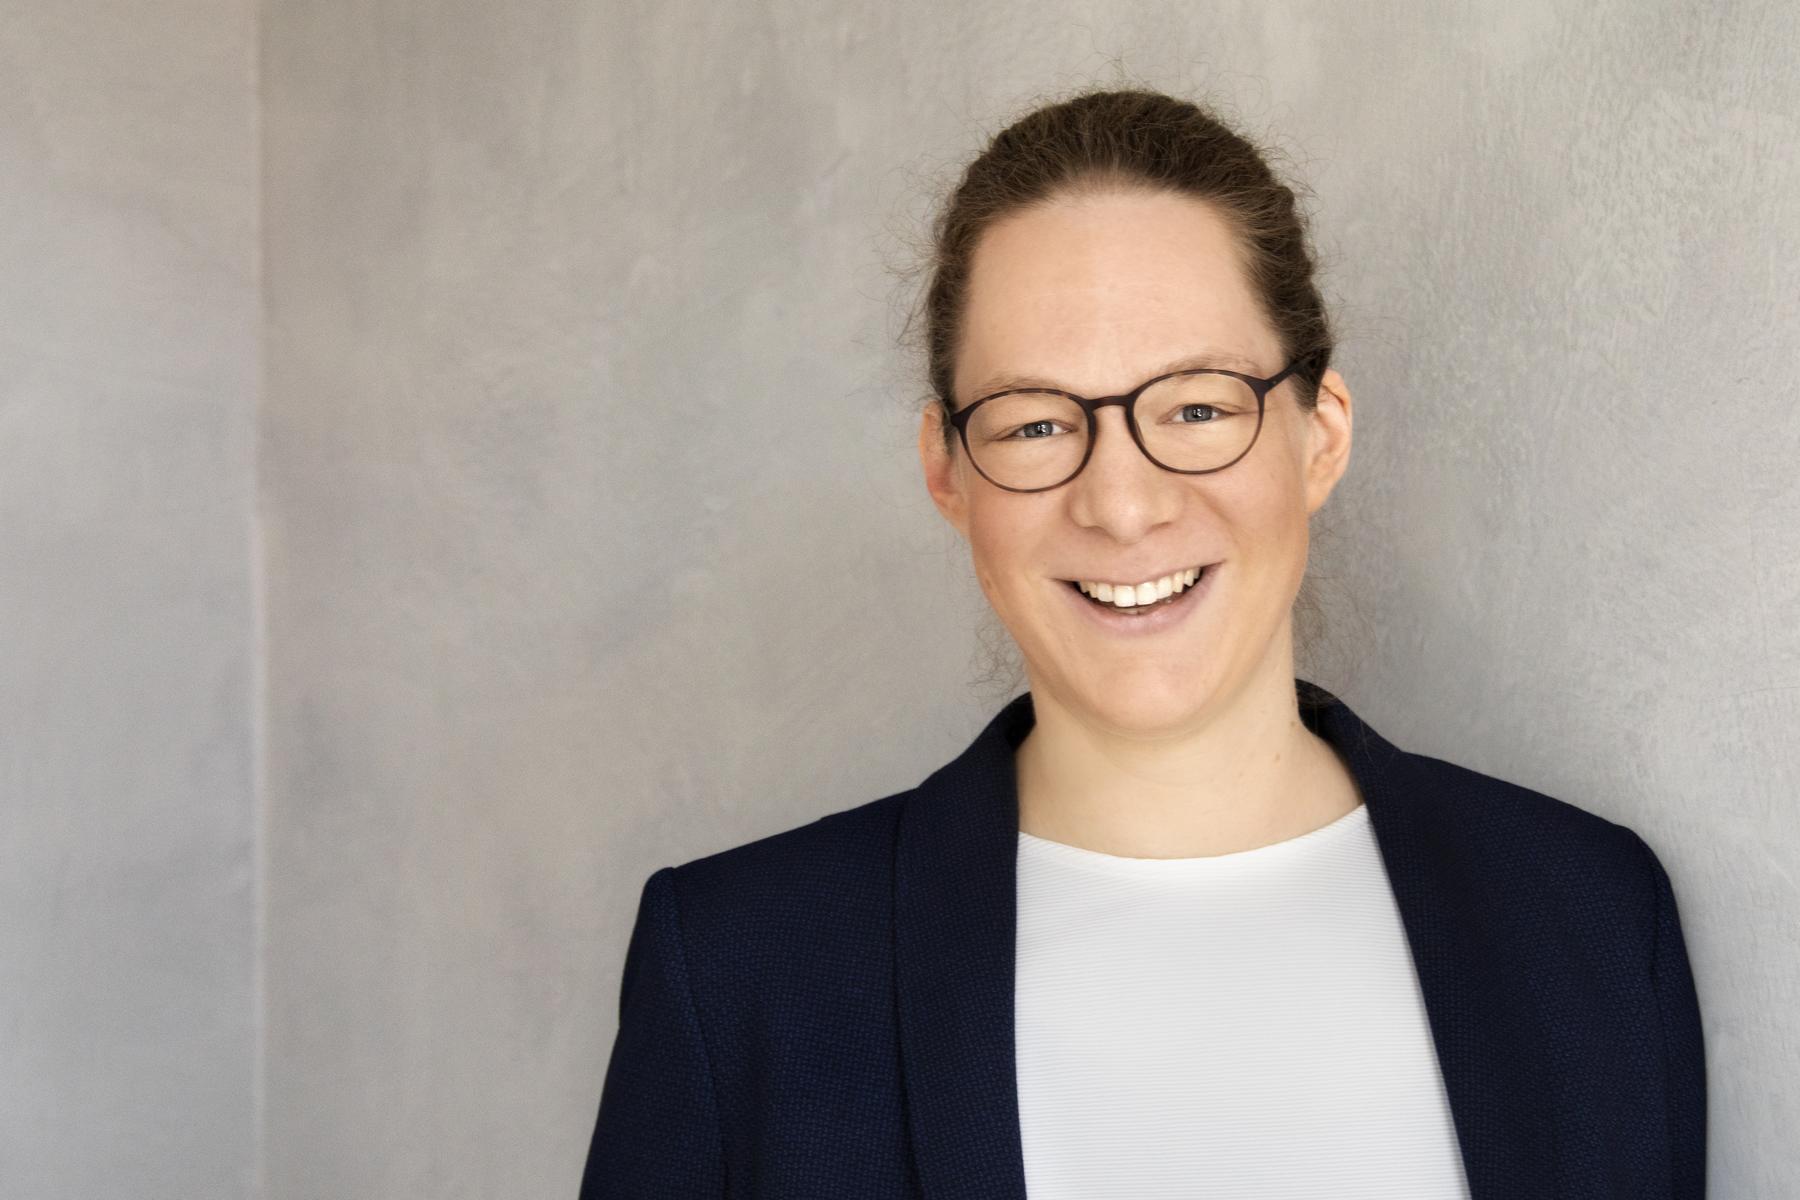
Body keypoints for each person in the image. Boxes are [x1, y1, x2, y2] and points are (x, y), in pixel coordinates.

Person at [579, 88, 1706, 1199]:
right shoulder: (738, 974)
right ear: (947, 471)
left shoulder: (1590, 920)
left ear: (1320, 436)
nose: (1122, 505)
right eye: (1035, 423)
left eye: (1197, 408)